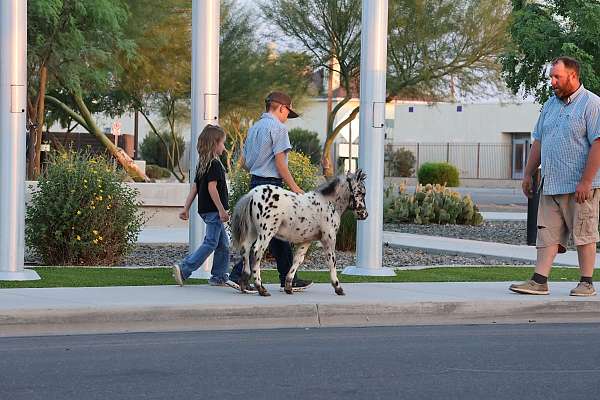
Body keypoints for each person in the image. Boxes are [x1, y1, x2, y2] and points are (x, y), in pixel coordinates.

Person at [509, 56, 600, 296]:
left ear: (573, 76)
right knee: (546, 233)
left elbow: (598, 144)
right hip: (551, 184)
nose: (552, 82)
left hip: (580, 186)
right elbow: (539, 140)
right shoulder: (550, 105)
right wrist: (528, 173)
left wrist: (586, 181)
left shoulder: (592, 104)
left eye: (557, 77)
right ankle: (539, 281)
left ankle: (586, 282)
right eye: (551, 76)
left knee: (584, 233)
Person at [228, 91, 313, 293]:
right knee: (266, 233)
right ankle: (238, 275)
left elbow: (246, 162)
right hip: (271, 187)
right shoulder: (278, 128)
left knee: (276, 233)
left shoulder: (254, 128)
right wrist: (295, 188)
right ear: (281, 108)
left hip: (255, 183)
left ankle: (287, 278)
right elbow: (280, 164)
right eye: (287, 113)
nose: (286, 118)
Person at [173, 124, 233, 288]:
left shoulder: (202, 164)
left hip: (207, 211)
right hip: (214, 211)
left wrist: (186, 208)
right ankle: (184, 269)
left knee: (223, 244)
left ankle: (219, 276)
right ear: (214, 144)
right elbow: (211, 188)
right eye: (222, 143)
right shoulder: (213, 164)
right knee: (211, 243)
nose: (224, 147)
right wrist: (221, 210)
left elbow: (195, 188)